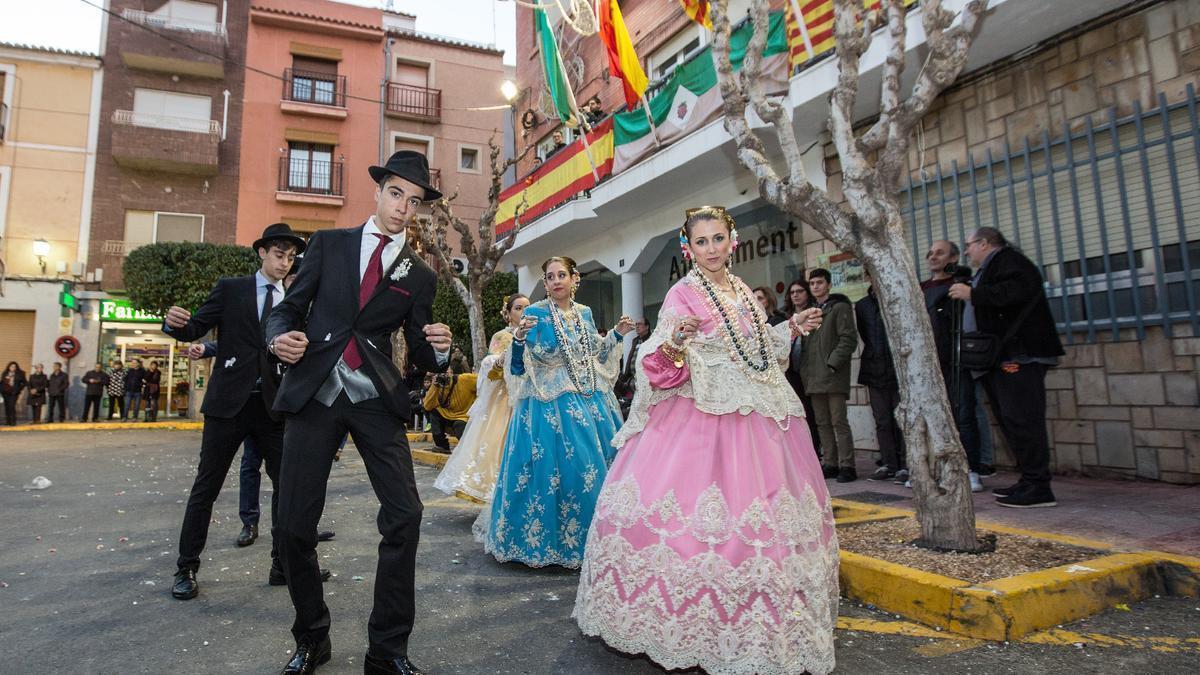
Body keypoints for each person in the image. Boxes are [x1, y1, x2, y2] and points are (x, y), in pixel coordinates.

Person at [574, 205, 838, 675]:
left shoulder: (740, 290)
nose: (712, 249)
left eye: (719, 239)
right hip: (701, 420)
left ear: (732, 240)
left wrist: (792, 328)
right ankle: (691, 623)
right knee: (701, 518)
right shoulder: (681, 293)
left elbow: (758, 352)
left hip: (760, 418)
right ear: (688, 248)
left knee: (767, 524)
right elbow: (655, 363)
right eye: (702, 242)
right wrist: (676, 340)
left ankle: (761, 622)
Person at [266, 150, 453, 675]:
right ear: (378, 192)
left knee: (406, 516)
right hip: (315, 393)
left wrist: (437, 348)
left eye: (413, 202)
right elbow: (286, 307)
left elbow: (419, 348)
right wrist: (280, 336)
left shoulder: (418, 275)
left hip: (374, 397)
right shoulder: (329, 245)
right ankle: (312, 637)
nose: (402, 208)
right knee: (293, 527)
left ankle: (387, 649)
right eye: (396, 194)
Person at [162, 222, 306, 603]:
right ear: (262, 253)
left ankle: (282, 564)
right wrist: (174, 325)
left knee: (286, 489)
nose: (285, 263)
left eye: (291, 258)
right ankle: (186, 567)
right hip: (227, 405)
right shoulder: (232, 288)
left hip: (274, 407)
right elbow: (195, 326)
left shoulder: (294, 301)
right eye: (279, 255)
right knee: (205, 488)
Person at [480, 256, 630, 568]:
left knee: (590, 466)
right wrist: (519, 339)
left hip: (589, 396)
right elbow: (519, 365)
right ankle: (546, 544)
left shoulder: (584, 313)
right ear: (545, 283)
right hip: (547, 401)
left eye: (562, 274)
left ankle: (598, 540)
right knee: (552, 469)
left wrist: (616, 333)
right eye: (550, 276)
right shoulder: (535, 313)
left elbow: (595, 352)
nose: (556, 280)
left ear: (575, 279)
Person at [950, 227, 1064, 508]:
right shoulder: (994, 266)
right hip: (1002, 356)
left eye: (969, 245)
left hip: (1019, 355)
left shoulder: (1010, 261)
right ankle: (1029, 479)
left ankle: (1039, 485)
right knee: (1010, 419)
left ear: (984, 243)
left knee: (1023, 418)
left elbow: (1014, 293)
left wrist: (972, 294)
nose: (966, 252)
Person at [434, 293, 529, 502]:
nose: (524, 312)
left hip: (529, 396)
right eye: (518, 308)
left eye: (527, 307)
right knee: (498, 444)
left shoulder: (537, 334)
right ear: (509, 313)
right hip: (505, 399)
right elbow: (489, 365)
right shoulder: (501, 337)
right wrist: (500, 359)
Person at [922, 239, 984, 491]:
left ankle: (971, 470)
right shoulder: (922, 288)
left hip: (957, 359)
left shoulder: (961, 286)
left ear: (953, 258)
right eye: (930, 252)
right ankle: (933, 468)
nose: (933, 256)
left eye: (940, 253)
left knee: (964, 414)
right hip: (928, 362)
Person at [798, 268, 859, 482]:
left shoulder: (840, 307)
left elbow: (848, 339)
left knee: (838, 421)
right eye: (812, 283)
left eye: (819, 283)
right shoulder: (810, 310)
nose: (815, 287)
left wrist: (832, 364)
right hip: (814, 377)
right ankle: (830, 463)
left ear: (829, 284)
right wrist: (806, 371)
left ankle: (847, 465)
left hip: (833, 376)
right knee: (822, 423)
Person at [856, 280, 906, 481]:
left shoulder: (900, 296)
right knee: (882, 419)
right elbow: (865, 335)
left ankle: (906, 464)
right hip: (874, 367)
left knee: (903, 419)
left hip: (898, 368)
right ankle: (889, 462)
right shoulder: (862, 305)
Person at [782, 278, 822, 458]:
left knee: (818, 417)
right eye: (792, 293)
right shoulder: (784, 319)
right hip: (792, 373)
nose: (796, 295)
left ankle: (819, 453)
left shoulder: (815, 315)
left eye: (800, 291)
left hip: (815, 372)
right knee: (800, 415)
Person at [422, 356, 477, 452]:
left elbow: (484, 381)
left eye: (446, 372)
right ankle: (442, 445)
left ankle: (469, 450)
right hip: (446, 414)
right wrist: (435, 386)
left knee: (459, 425)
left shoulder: (465, 379)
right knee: (434, 412)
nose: (444, 376)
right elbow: (427, 406)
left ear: (451, 372)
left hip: (463, 415)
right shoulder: (437, 385)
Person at [612, 317, 651, 419]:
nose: (637, 326)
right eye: (636, 324)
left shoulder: (651, 340)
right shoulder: (636, 340)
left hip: (644, 378)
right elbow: (630, 359)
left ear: (647, 327)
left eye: (640, 324)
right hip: (632, 377)